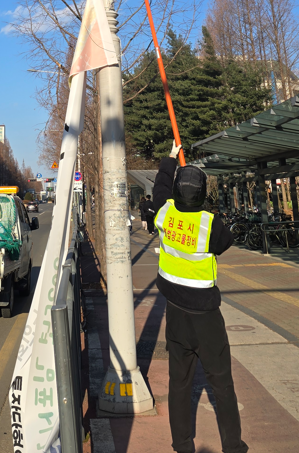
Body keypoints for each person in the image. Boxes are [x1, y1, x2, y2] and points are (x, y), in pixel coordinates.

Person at [153, 140, 248, 453]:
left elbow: (160, 187)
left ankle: (182, 445)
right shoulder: (210, 225)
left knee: (179, 383)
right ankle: (233, 446)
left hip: (175, 314)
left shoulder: (164, 214)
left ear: (176, 191)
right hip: (206, 317)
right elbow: (226, 242)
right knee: (221, 383)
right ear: (204, 193)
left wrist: (170, 158)